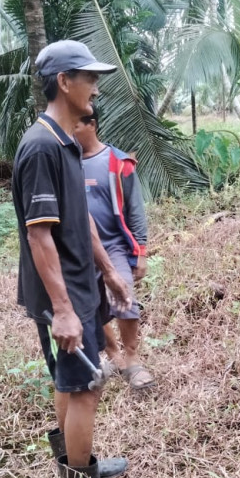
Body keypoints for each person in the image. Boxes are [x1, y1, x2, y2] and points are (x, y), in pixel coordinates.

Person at [11, 39, 136, 478]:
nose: (96, 88)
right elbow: (39, 234)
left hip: (79, 285)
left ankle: (75, 465)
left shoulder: (63, 141)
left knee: (71, 382)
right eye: (89, 78)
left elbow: (78, 220)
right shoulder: (41, 145)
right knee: (85, 387)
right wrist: (63, 310)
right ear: (64, 82)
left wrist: (108, 270)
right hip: (60, 292)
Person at [73, 109, 156, 391]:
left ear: (92, 124)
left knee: (125, 298)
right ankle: (113, 354)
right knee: (90, 306)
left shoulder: (119, 163)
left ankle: (132, 358)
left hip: (114, 246)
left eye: (75, 126)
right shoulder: (65, 162)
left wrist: (141, 252)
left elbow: (135, 210)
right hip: (79, 251)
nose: (70, 132)